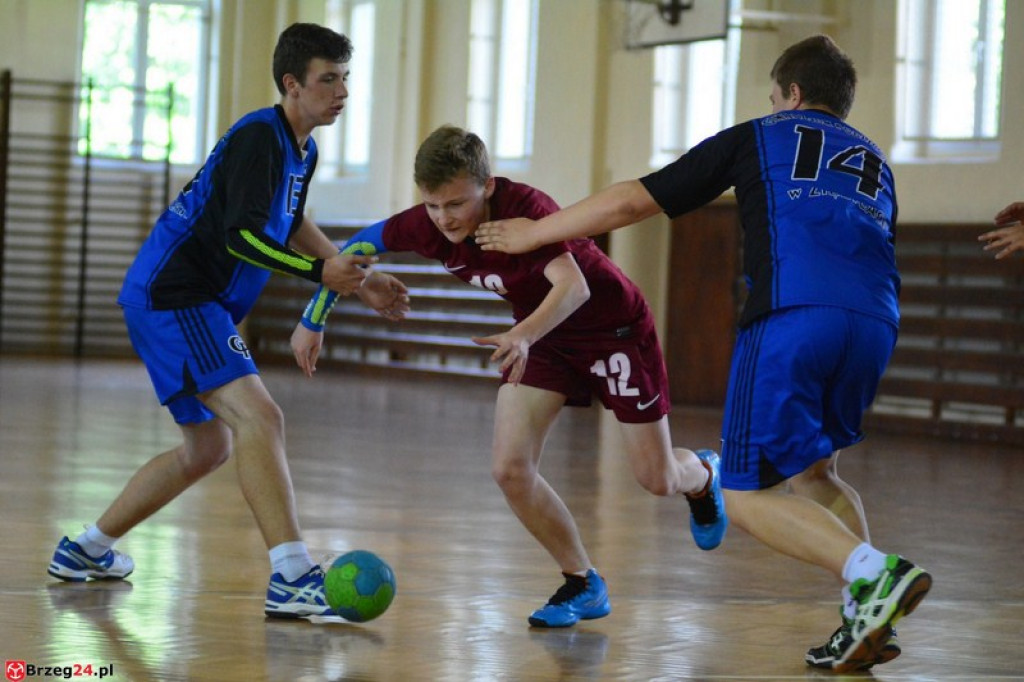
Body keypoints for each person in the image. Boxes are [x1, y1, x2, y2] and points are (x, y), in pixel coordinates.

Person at [476, 35, 932, 671]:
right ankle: (866, 614)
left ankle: (874, 573)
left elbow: (639, 197)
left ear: (792, 94)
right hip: (875, 322)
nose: (773, 103)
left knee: (743, 495)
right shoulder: (875, 159)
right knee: (817, 473)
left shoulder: (763, 134)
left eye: (776, 95)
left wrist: (537, 231)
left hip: (792, 315)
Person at [290, 125, 727, 628]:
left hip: (614, 331)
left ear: (488, 186)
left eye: (456, 204)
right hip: (543, 336)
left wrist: (521, 335)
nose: (444, 218)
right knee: (510, 469)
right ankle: (582, 581)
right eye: (432, 205)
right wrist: (313, 317)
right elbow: (359, 248)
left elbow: (575, 287)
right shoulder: (428, 225)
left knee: (657, 478)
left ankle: (703, 476)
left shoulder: (527, 208)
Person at [47, 23, 409, 619]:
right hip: (177, 296)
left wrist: (362, 281)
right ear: (292, 85)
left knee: (207, 447)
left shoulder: (302, 147)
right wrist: (320, 277)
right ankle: (292, 577)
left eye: (346, 78)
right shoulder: (259, 139)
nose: (342, 91)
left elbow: (289, 223)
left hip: (191, 302)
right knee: (260, 416)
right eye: (328, 79)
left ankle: (86, 549)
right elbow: (241, 237)